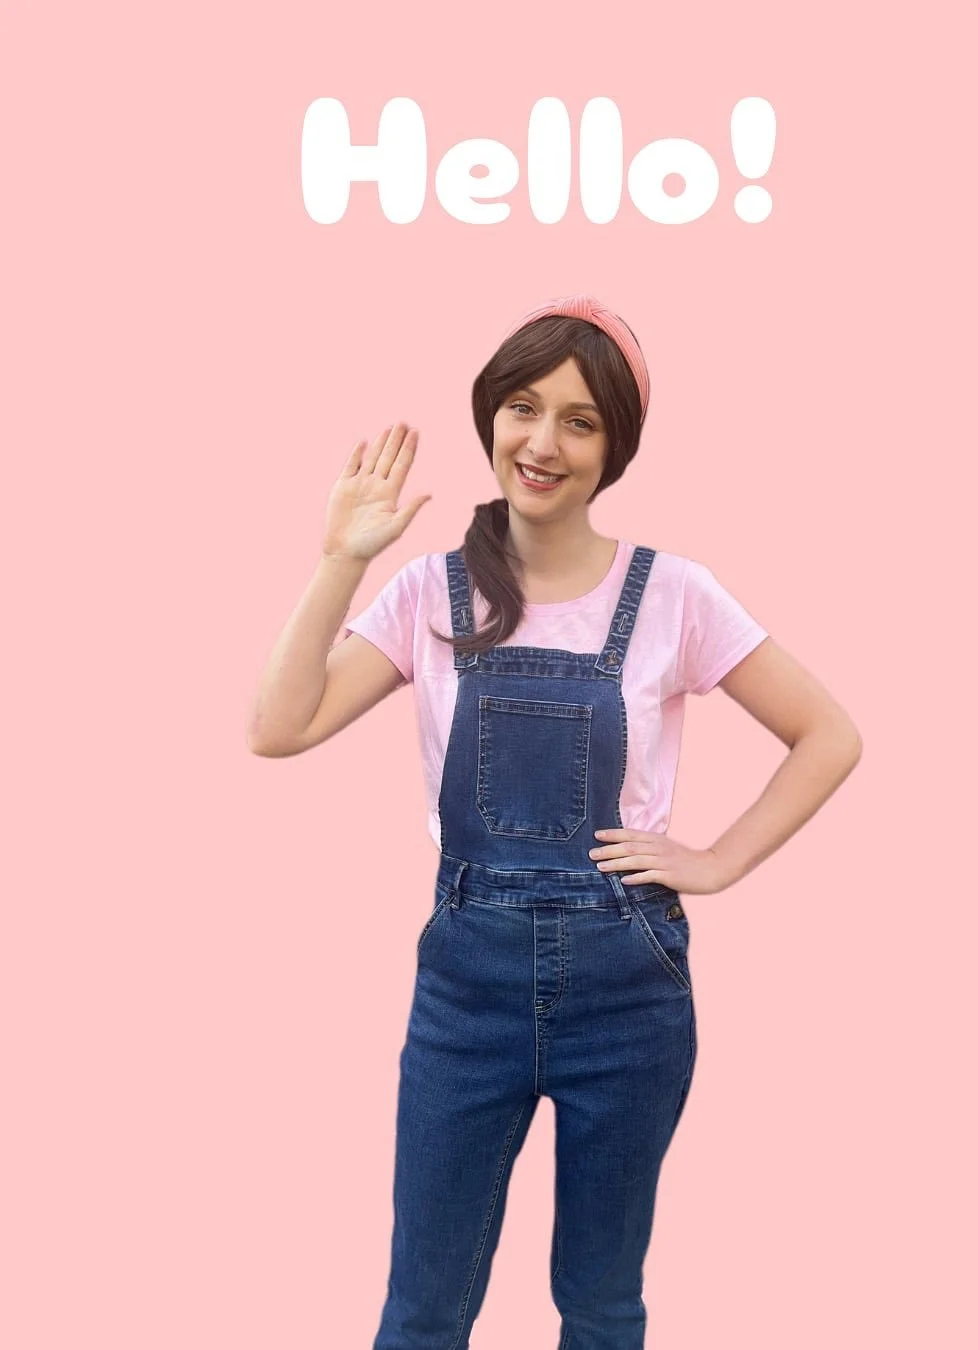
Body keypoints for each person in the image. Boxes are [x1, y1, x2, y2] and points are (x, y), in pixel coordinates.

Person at [247, 294, 863, 1348]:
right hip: (465, 992)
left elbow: (829, 736)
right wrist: (342, 556)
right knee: (426, 1308)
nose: (542, 442)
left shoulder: (675, 594)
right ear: (490, 415)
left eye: (580, 420)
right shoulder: (428, 593)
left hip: (628, 994)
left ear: (616, 445)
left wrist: (716, 860)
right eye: (523, 407)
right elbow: (278, 726)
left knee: (601, 1302)